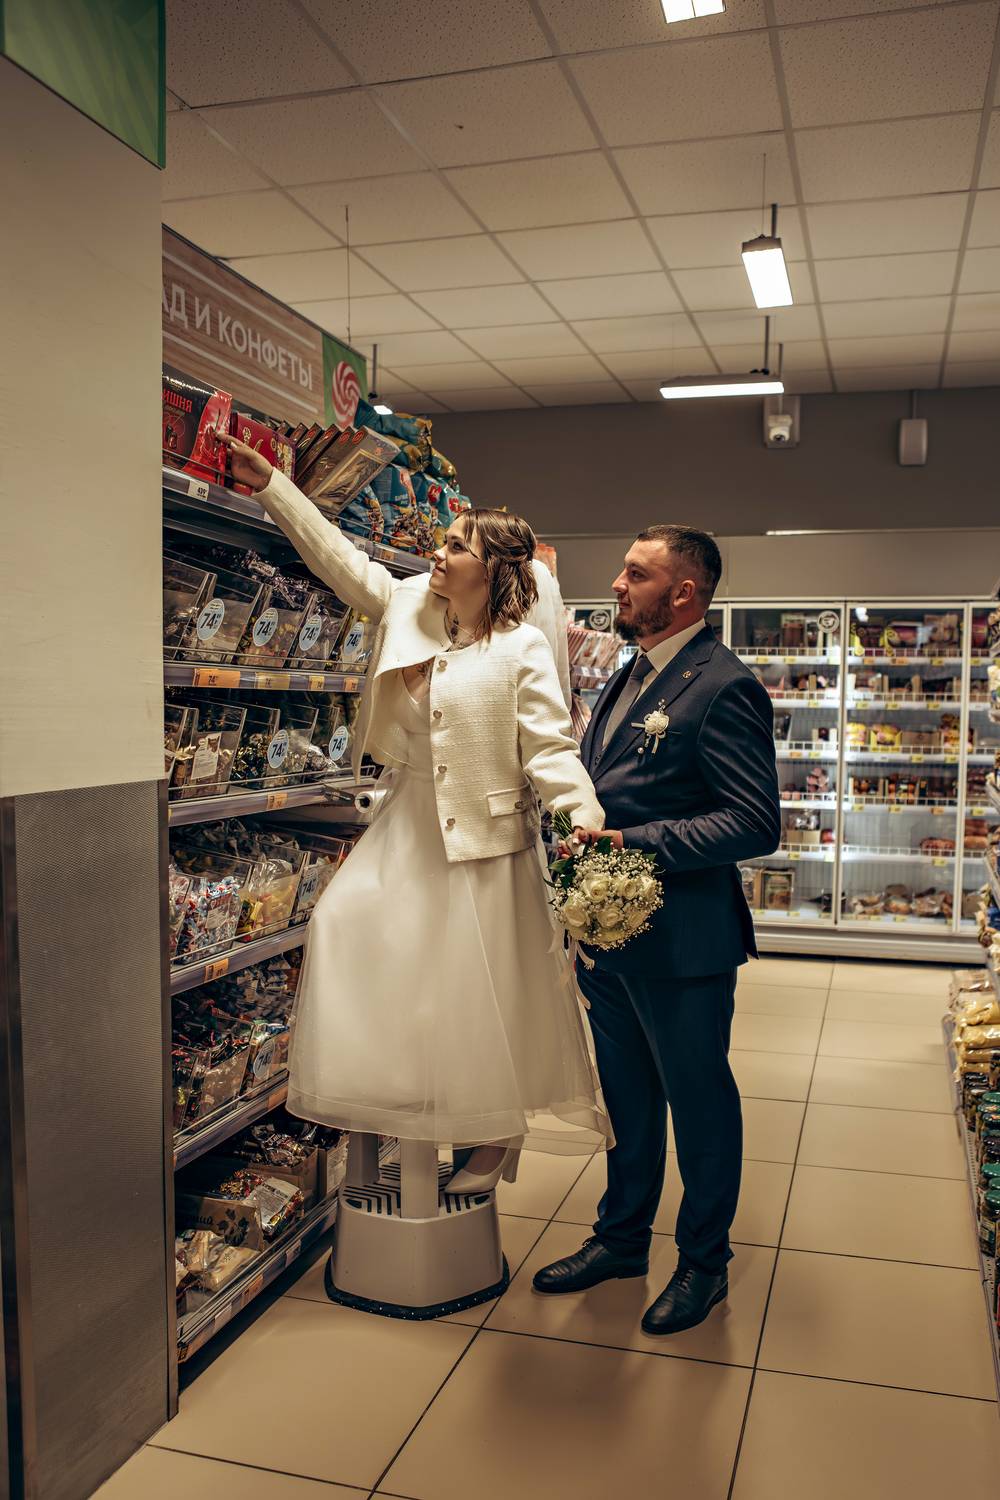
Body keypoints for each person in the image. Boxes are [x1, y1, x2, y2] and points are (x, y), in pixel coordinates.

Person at [218, 432, 610, 1194]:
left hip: (486, 845)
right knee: (341, 927)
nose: (439, 552)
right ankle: (396, 1095)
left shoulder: (522, 651)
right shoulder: (406, 605)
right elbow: (339, 560)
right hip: (409, 823)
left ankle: (495, 1133)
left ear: (493, 571)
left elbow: (552, 752)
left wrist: (584, 824)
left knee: (473, 998)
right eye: (444, 538)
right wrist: (271, 484)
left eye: (457, 546)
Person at [532, 525, 780, 1334]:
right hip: (610, 933)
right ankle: (622, 1239)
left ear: (684, 593)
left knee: (699, 1101)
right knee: (628, 1098)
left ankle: (704, 1263)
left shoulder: (723, 686)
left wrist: (631, 843)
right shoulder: (630, 673)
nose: (617, 583)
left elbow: (753, 822)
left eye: (636, 574)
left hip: (682, 941)